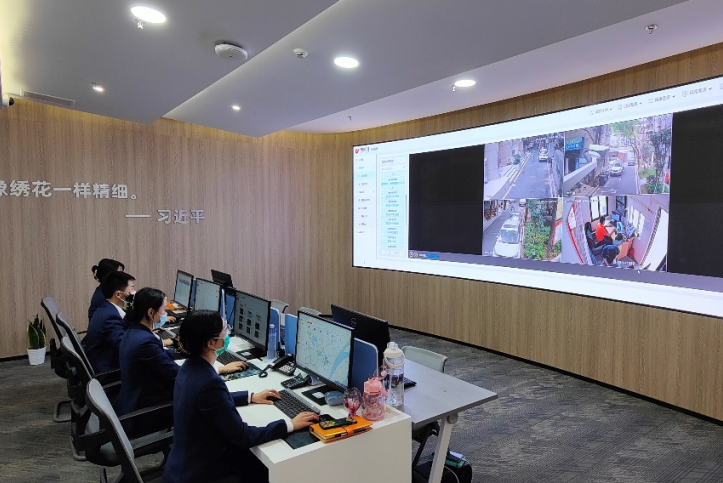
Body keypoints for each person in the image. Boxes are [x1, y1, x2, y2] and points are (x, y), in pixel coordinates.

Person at [162, 310, 318, 483]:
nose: (227, 334)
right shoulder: (209, 383)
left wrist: (250, 397)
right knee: (261, 467)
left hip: (182, 464)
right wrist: (289, 424)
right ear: (211, 343)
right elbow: (243, 436)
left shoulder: (189, 367)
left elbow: (211, 401)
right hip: (202, 473)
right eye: (224, 331)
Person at [115, 288, 247, 435]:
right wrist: (220, 369)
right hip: (146, 414)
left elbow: (162, 355)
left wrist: (190, 349)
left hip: (134, 401)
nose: (166, 313)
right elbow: (185, 378)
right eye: (164, 309)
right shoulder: (145, 343)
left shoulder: (134, 332)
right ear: (151, 312)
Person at [82, 271, 135, 373]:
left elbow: (123, 327)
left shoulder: (107, 307)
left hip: (103, 358)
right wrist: (155, 340)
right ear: (118, 294)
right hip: (108, 369)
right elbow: (125, 345)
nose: (134, 293)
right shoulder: (110, 317)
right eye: (131, 289)